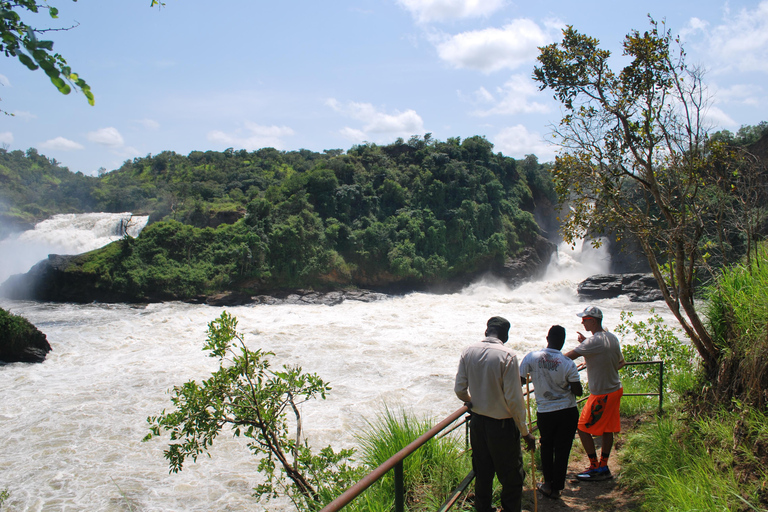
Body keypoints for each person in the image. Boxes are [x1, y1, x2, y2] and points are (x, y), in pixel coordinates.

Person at [455, 316, 536, 512]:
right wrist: (525, 432)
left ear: (486, 331)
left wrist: (471, 400)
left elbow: (459, 389)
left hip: (477, 423)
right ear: (505, 335)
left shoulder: (468, 351)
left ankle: (483, 509)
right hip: (502, 427)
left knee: (482, 474)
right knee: (511, 477)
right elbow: (514, 401)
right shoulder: (507, 356)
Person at [519, 325, 583, 499]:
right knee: (563, 448)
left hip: (545, 411)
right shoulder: (568, 363)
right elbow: (578, 391)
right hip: (567, 411)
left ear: (547, 338)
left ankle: (547, 484)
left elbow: (520, 381)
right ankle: (557, 487)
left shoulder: (531, 357)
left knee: (546, 445)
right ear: (562, 342)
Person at [564, 306, 625, 482]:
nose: (582, 322)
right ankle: (603, 465)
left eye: (585, 319)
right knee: (607, 429)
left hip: (602, 394)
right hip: (614, 389)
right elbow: (621, 362)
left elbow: (566, 358)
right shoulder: (610, 337)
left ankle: (595, 466)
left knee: (582, 427)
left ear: (593, 320)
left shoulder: (592, 343)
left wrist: (547, 359)